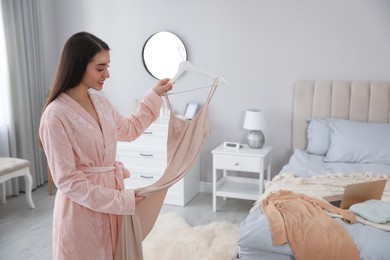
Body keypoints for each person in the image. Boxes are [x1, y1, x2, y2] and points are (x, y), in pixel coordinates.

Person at [39, 31, 173, 260]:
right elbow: (67, 180)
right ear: (79, 66)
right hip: (81, 212)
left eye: (107, 67)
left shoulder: (100, 101)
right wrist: (122, 200)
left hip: (111, 200)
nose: (107, 74)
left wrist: (153, 95)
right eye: (100, 69)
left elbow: (128, 129)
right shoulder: (55, 115)